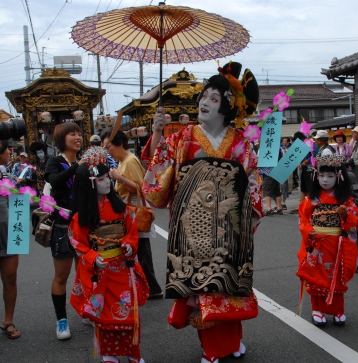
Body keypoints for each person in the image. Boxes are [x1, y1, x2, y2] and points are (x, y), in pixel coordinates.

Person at [141, 61, 263, 363]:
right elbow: (157, 177)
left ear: (228, 106)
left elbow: (252, 181)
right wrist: (158, 135)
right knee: (204, 287)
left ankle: (232, 341)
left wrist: (249, 216)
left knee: (230, 285)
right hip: (192, 227)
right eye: (203, 95)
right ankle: (214, 349)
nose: (204, 102)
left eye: (213, 98)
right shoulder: (180, 138)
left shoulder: (240, 143)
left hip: (229, 225)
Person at [68, 150, 149, 363]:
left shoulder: (121, 209)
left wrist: (130, 245)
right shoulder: (82, 215)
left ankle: (134, 353)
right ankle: (108, 353)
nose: (107, 183)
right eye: (102, 179)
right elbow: (78, 243)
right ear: (90, 183)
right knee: (104, 317)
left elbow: (131, 230)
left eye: (107, 178)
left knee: (128, 315)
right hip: (101, 271)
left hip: (122, 268)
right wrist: (93, 256)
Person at [296, 154, 358, 327]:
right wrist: (310, 232)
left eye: (330, 176)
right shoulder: (310, 200)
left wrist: (346, 215)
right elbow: (303, 220)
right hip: (317, 243)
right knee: (317, 278)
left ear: (339, 177)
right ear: (316, 176)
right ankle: (317, 309)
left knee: (336, 277)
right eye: (322, 176)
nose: (325, 180)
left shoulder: (346, 200)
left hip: (337, 245)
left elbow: (355, 223)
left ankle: (338, 310)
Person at [101, 129, 163, 300]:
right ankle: (149, 286)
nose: (107, 150)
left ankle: (152, 288)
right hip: (130, 212)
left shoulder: (129, 161)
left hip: (135, 212)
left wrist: (119, 179)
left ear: (120, 143)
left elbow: (141, 188)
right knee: (139, 252)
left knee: (140, 252)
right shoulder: (122, 161)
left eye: (109, 146)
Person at [45, 122, 84, 339]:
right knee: (62, 275)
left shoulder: (82, 162)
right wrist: (76, 167)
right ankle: (61, 321)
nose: (77, 137)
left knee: (87, 272)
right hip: (62, 227)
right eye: (72, 134)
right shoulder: (55, 162)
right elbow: (54, 182)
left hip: (84, 226)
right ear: (61, 138)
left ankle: (88, 311)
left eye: (79, 133)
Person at [0, 140, 21, 339]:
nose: (10, 152)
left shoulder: (6, 173)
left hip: (8, 234)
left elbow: (15, 201)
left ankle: (8, 320)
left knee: (10, 278)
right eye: (7, 149)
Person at [289, 132, 313, 214]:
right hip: (303, 169)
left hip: (310, 169)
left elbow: (314, 155)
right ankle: (302, 205)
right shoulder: (300, 145)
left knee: (309, 188)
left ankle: (309, 205)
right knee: (303, 188)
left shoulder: (310, 144)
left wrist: (306, 162)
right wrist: (299, 163)